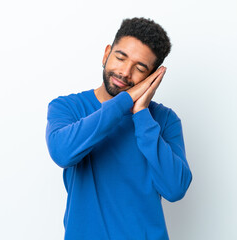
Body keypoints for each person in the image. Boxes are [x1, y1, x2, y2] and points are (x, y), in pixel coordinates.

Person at [46, 17, 192, 240]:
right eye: (120, 57)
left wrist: (141, 114)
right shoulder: (68, 107)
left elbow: (175, 189)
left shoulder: (164, 120)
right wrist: (124, 102)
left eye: (140, 68)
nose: (125, 72)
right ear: (106, 54)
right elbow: (62, 153)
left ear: (152, 77)